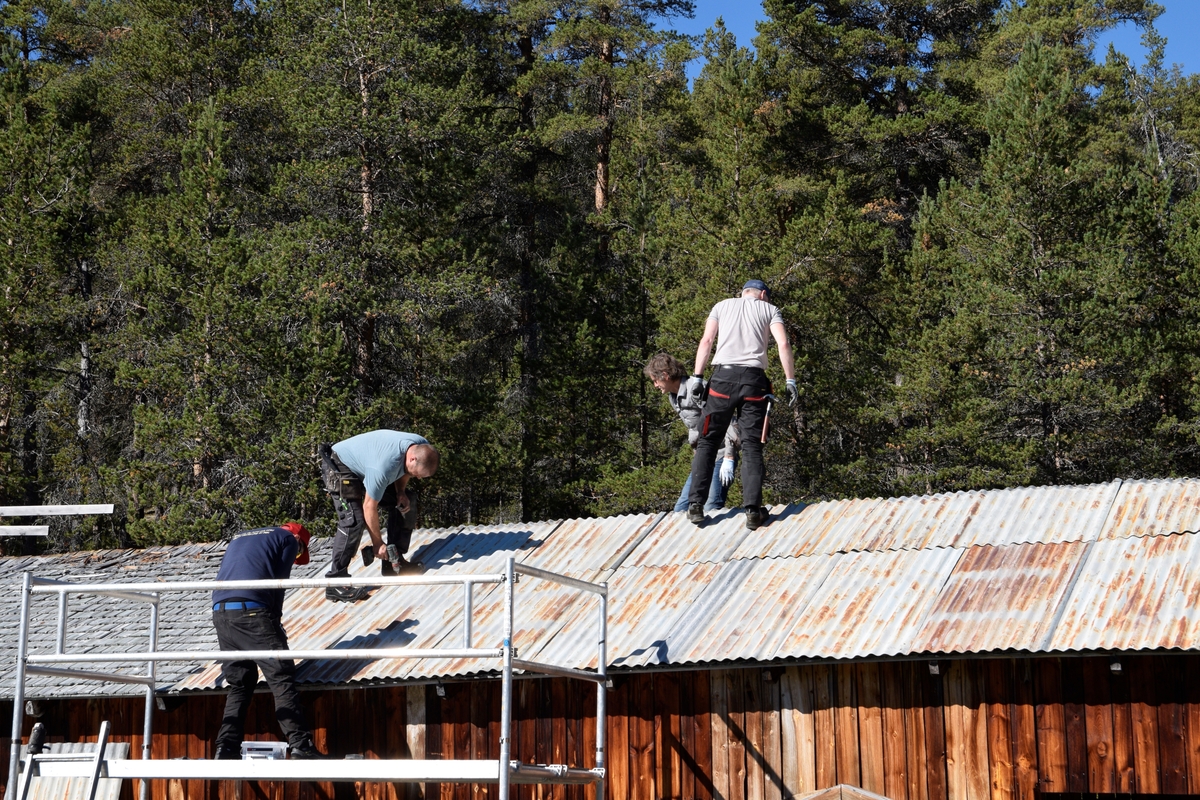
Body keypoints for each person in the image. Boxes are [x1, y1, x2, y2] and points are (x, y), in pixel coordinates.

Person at [684, 280, 797, 530]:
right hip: (754, 383)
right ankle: (753, 511)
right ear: (763, 295)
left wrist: (698, 377)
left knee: (708, 441)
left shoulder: (721, 306)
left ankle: (695, 506)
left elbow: (706, 341)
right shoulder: (770, 310)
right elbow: (783, 344)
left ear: (743, 293)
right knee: (752, 445)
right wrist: (790, 380)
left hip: (721, 381)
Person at [211, 523, 323, 760]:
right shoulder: (289, 540)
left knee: (240, 684)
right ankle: (301, 745)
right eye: (299, 554)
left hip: (221, 612)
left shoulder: (241, 536)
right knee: (281, 676)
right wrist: (275, 620)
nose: (296, 558)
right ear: (298, 540)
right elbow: (278, 584)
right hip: (253, 611)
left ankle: (225, 748)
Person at [318, 429, 439, 602]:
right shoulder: (383, 466)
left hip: (366, 467)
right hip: (340, 465)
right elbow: (369, 506)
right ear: (412, 458)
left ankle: (393, 563)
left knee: (406, 502)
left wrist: (400, 491)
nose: (418, 478)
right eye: (417, 474)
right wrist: (377, 544)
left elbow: (405, 471)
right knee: (353, 520)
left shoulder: (421, 446)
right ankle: (335, 582)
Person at [643, 353, 740, 514]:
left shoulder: (697, 388)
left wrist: (729, 457)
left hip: (721, 454)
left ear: (665, 375)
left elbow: (729, 418)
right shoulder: (673, 398)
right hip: (704, 458)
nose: (655, 385)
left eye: (655, 380)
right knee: (681, 509)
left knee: (711, 508)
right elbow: (694, 429)